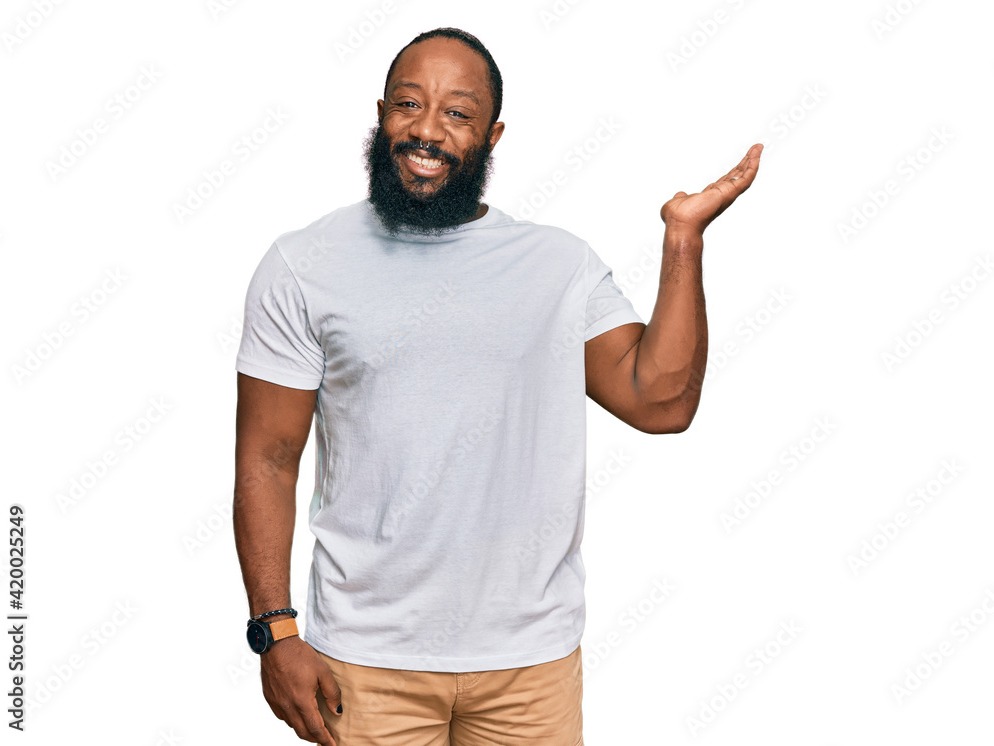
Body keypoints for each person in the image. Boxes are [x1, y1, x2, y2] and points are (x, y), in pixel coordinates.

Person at [232, 26, 761, 746]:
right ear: (380, 111)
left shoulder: (556, 265)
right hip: (364, 661)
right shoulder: (304, 264)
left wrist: (683, 241)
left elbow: (661, 402)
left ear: (492, 135)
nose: (426, 130)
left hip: (530, 666)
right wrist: (275, 630)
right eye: (409, 104)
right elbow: (267, 457)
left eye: (457, 112)